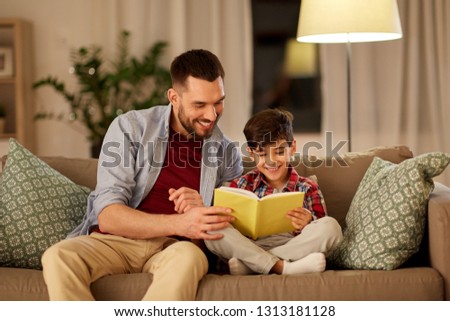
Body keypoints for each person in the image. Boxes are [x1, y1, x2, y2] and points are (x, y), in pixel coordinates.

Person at [41, 49, 243, 300]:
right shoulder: (130, 128)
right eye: (199, 105)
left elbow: (230, 235)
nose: (211, 116)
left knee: (190, 257)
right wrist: (182, 223)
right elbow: (109, 216)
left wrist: (203, 211)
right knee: (58, 256)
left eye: (218, 102)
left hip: (174, 248)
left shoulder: (227, 152)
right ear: (174, 97)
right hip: (115, 243)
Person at [205, 108, 343, 275]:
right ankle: (284, 267)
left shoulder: (308, 188)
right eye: (262, 154)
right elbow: (223, 226)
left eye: (279, 152)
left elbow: (321, 232)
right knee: (210, 228)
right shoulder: (240, 185)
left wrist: (308, 222)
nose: (271, 161)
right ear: (251, 154)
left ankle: (254, 266)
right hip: (250, 246)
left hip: (292, 246)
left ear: (292, 149)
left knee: (331, 227)